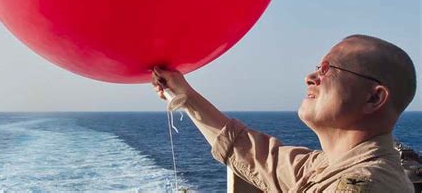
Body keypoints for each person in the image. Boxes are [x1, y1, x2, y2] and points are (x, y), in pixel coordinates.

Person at [151, 35, 417, 192]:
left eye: (329, 70)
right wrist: (187, 97)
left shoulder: (366, 186)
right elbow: (258, 156)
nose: (310, 77)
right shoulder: (325, 166)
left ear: (374, 97)